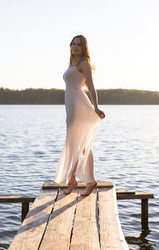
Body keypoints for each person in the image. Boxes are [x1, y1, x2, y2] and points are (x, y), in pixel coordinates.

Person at [54, 35, 105, 196]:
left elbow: (91, 87)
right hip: (71, 106)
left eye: (79, 45)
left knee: (75, 144)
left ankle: (73, 180)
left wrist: (96, 107)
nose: (75, 47)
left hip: (79, 107)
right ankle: (88, 180)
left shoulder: (84, 64)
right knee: (80, 145)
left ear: (84, 48)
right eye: (73, 44)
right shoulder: (73, 64)